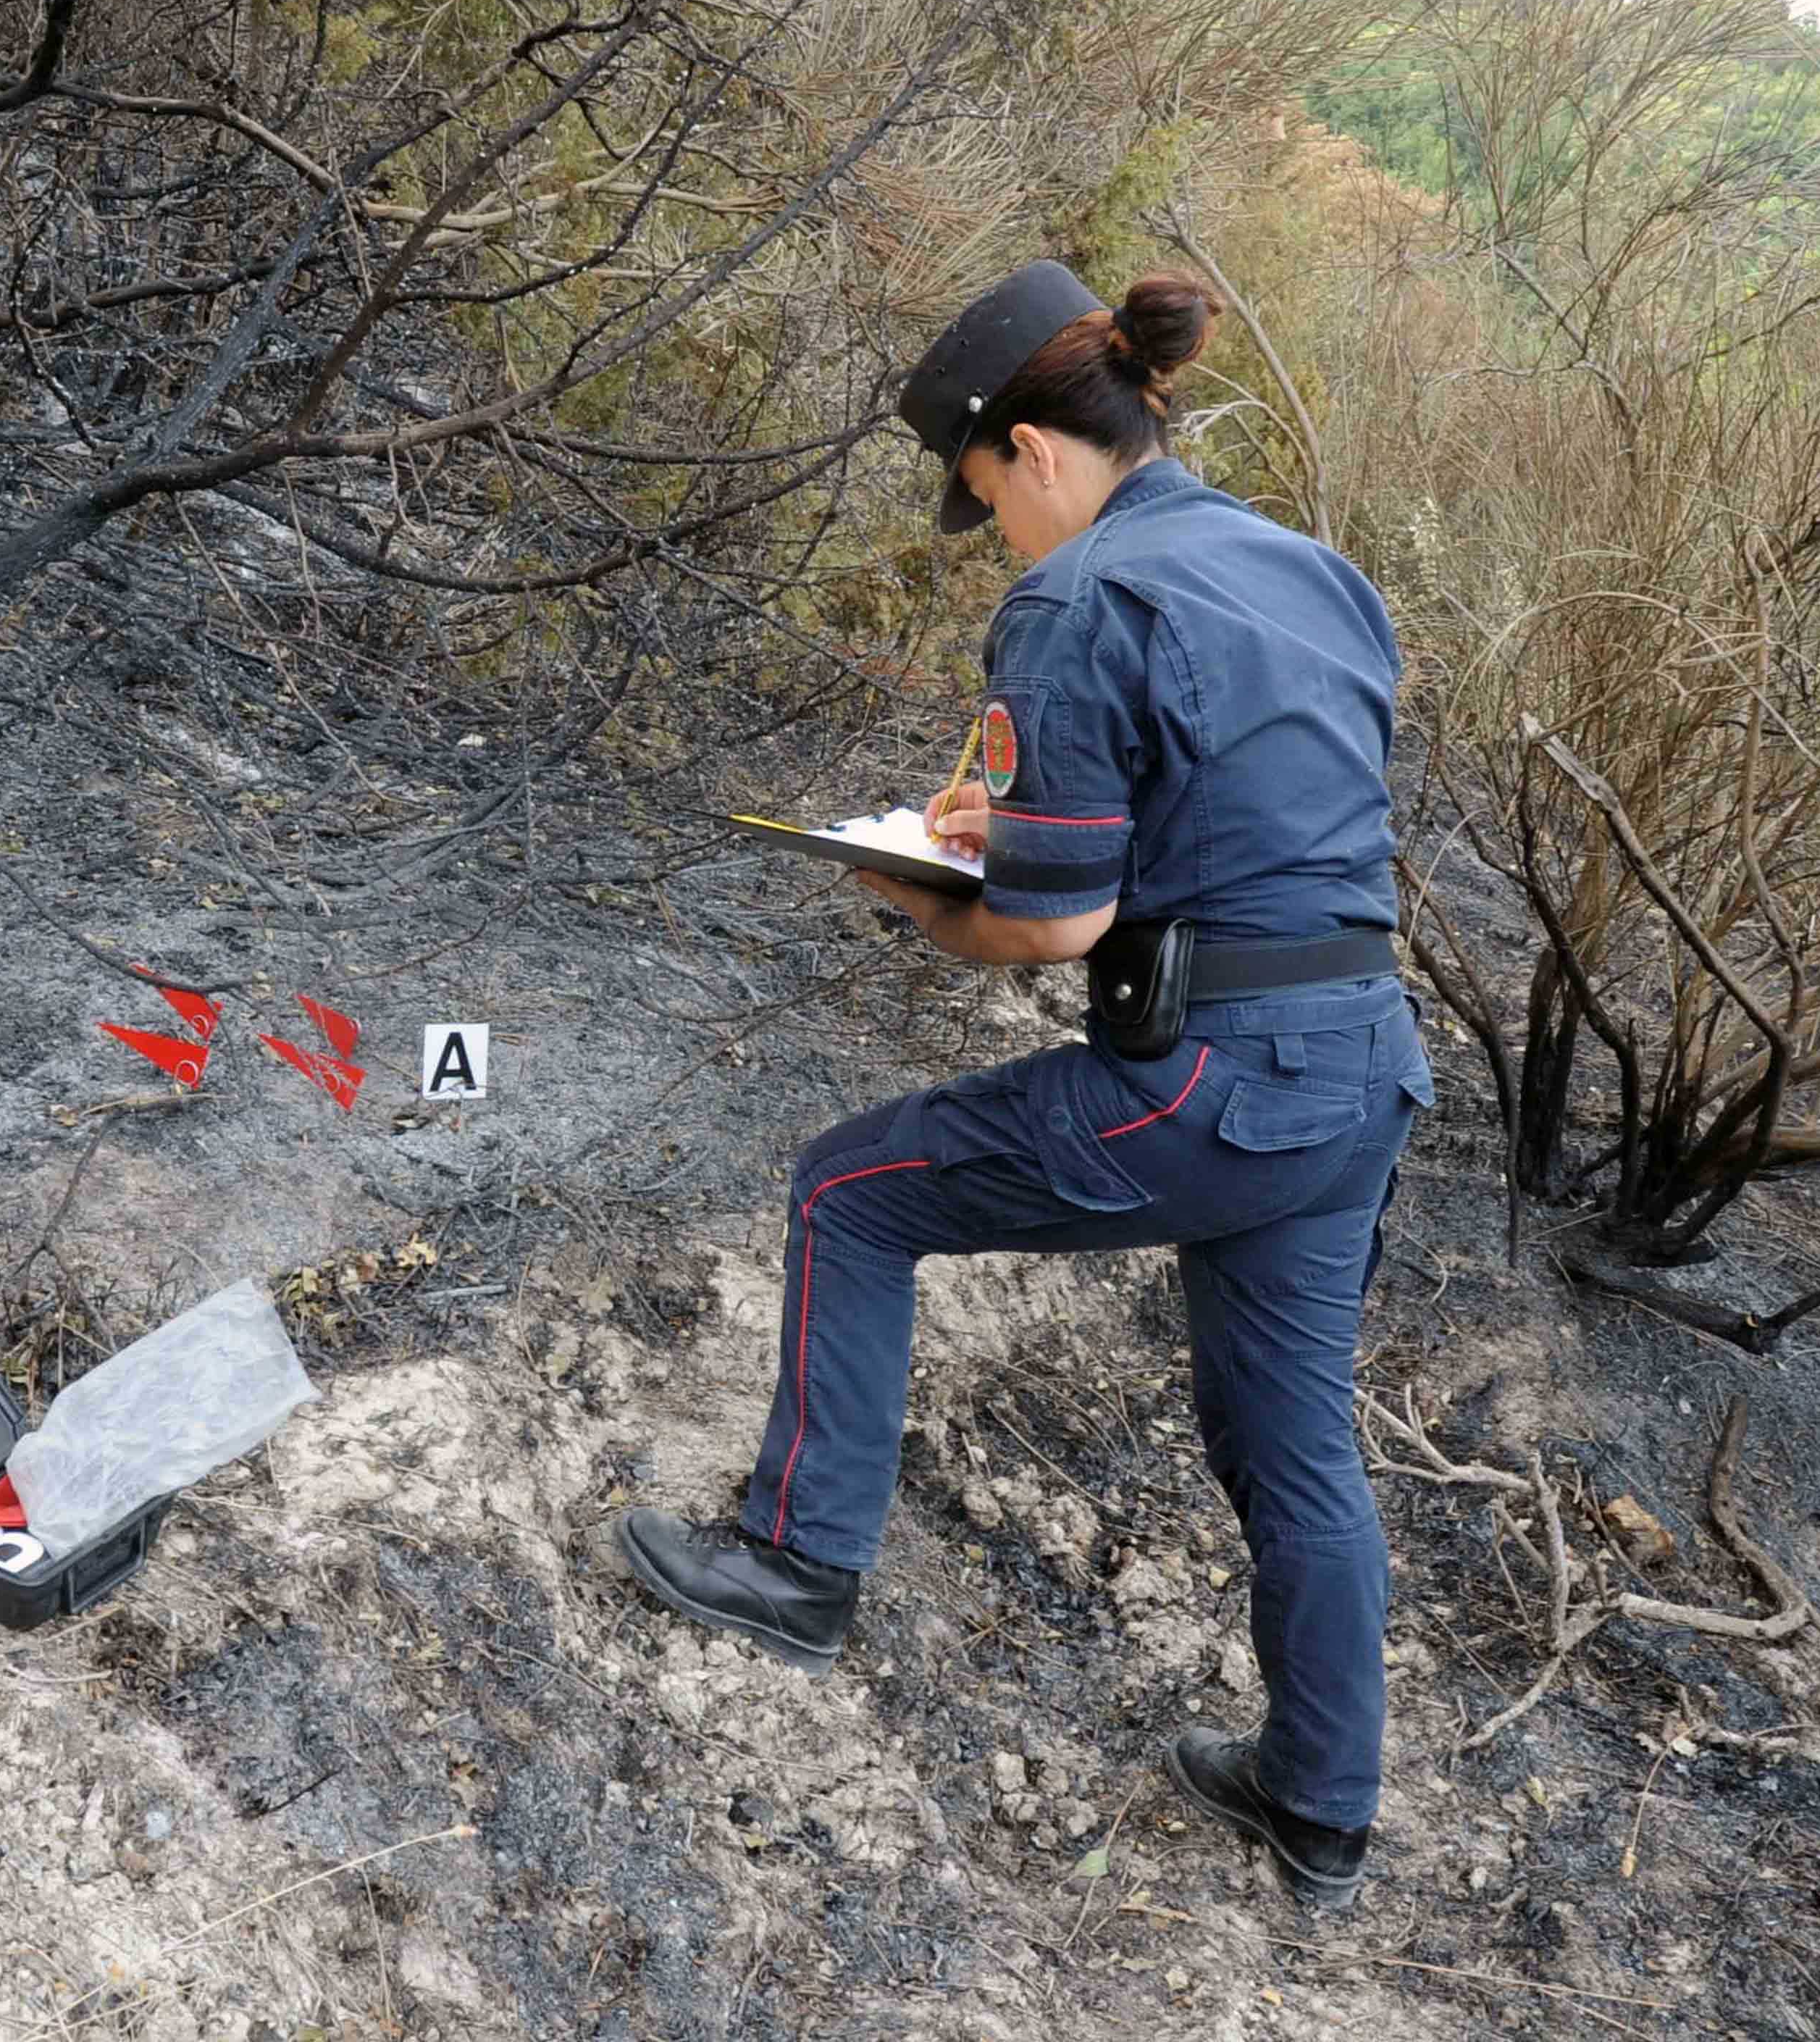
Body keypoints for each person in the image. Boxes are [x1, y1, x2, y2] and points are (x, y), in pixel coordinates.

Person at [613, 261, 1433, 1906]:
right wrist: (1040, 819)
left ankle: (795, 1564)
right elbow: (1256, 808)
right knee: (1292, 1445)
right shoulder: (1314, 572)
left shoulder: (1074, 599)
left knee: (851, 1189)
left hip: (1211, 1081)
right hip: (1362, 1068)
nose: (994, 531)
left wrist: (910, 890)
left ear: (1034, 452)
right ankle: (1321, 1803)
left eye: (983, 494)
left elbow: (1054, 928)